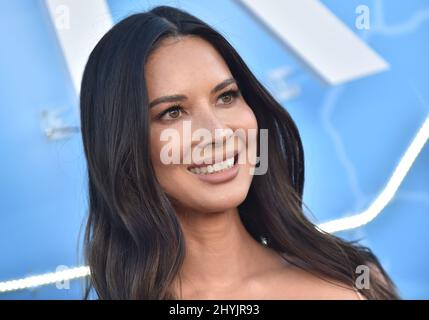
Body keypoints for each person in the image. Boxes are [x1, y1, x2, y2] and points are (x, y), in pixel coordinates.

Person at [79, 5, 399, 300]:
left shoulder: (352, 284)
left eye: (227, 97)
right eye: (173, 112)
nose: (217, 132)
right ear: (123, 145)